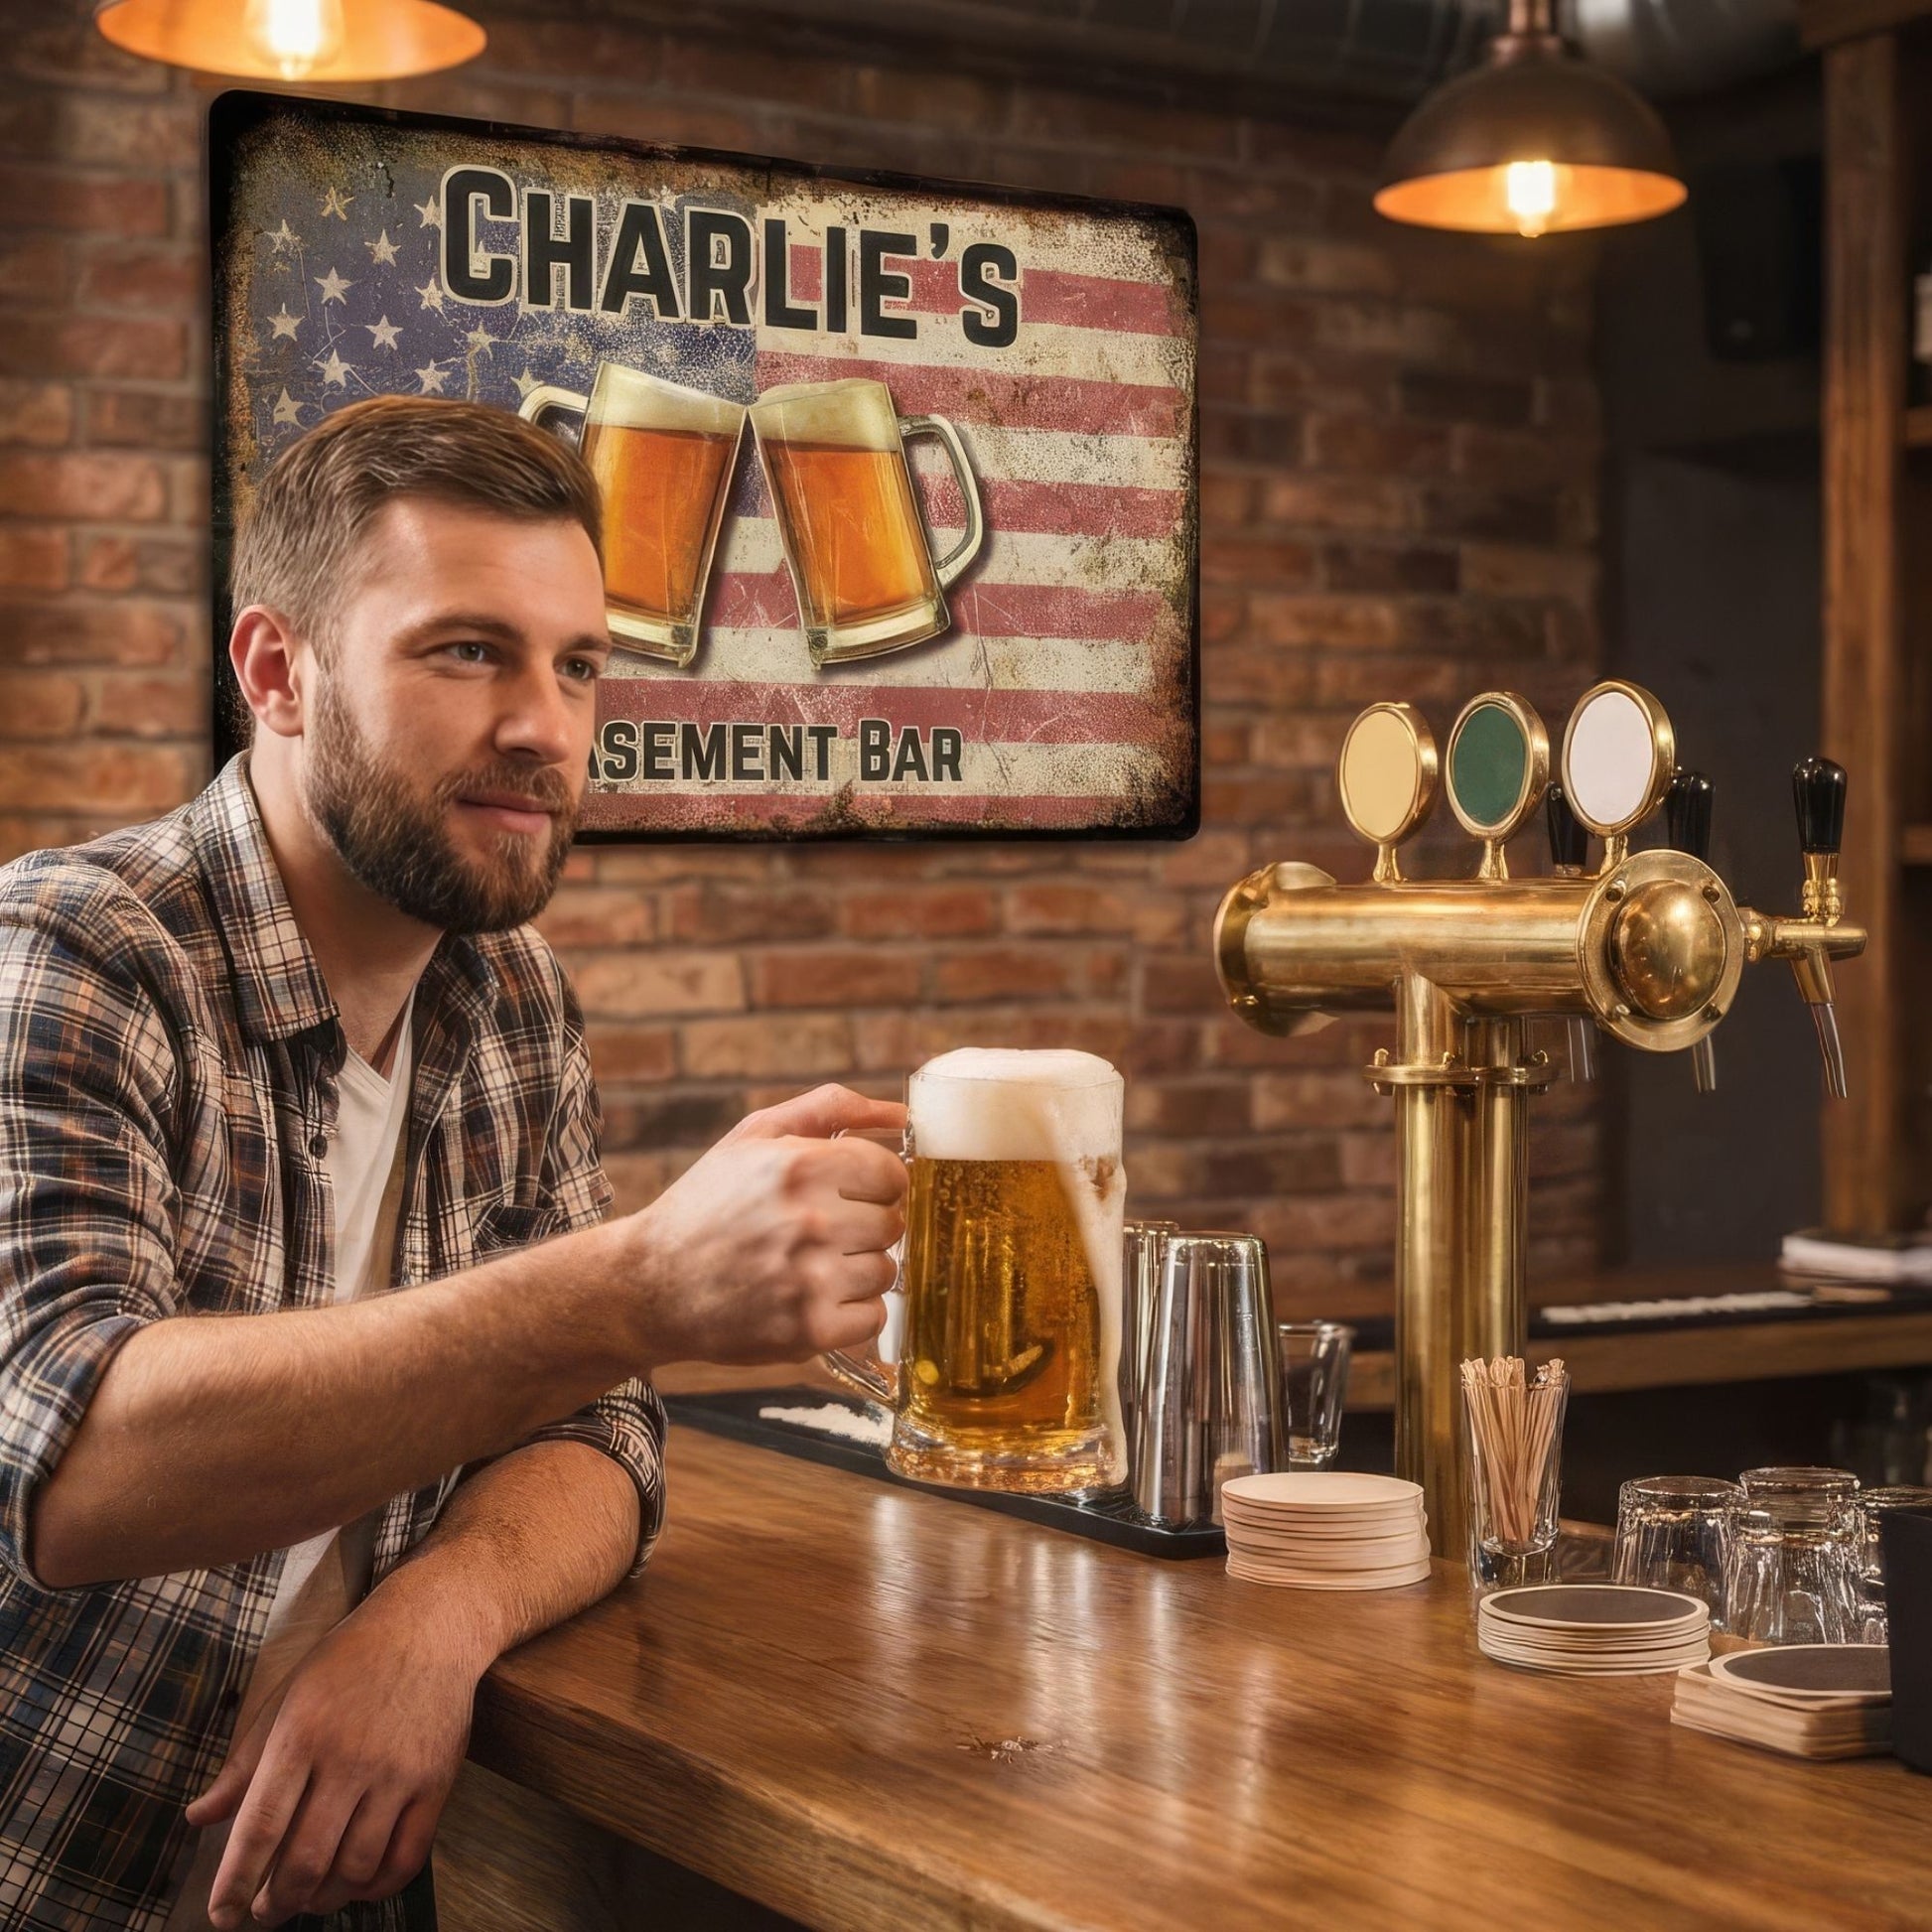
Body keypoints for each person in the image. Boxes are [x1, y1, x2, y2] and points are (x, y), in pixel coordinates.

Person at [0, 396, 904, 1932]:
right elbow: (69, 1469)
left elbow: (600, 1430)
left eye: (579, 665)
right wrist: (638, 1280)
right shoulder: (78, 950)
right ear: (278, 673)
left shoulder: (508, 992)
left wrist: (432, 1614)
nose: (544, 727)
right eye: (466, 650)